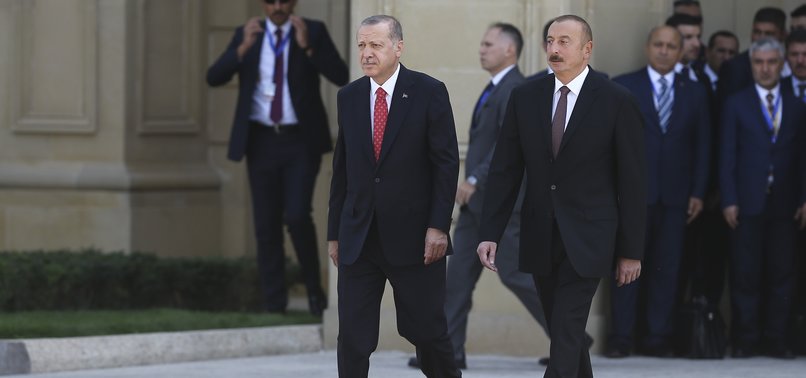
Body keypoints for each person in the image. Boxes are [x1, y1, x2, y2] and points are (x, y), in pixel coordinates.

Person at [477, 15, 647, 377]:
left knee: (566, 330)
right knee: (563, 331)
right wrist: (490, 231)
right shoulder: (525, 97)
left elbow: (632, 183)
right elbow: (505, 170)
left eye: (564, 41)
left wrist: (631, 251)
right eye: (550, 41)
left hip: (590, 238)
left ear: (587, 49)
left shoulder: (617, 100)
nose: (554, 49)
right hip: (540, 235)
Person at [408, 22, 550, 371]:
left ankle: (570, 333)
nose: (481, 49)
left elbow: (508, 147)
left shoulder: (516, 89)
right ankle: (449, 351)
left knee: (516, 274)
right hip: (476, 208)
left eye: (488, 44)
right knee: (456, 279)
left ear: (509, 51)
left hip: (502, 205)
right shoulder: (494, 89)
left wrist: (472, 177)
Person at [327, 15, 461, 378]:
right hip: (360, 238)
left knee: (428, 335)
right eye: (361, 46)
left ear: (398, 47)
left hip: (416, 239)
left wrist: (438, 227)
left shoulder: (429, 91)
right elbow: (343, 170)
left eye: (375, 45)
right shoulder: (349, 96)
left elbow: (445, 165)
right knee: (353, 337)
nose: (366, 54)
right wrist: (335, 233)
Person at [206, 0, 348, 316]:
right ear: (263, 4)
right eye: (271, 2)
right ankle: (274, 303)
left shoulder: (312, 31)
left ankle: (314, 292)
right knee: (266, 223)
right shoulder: (248, 34)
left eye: (284, 1)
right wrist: (240, 49)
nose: (278, 8)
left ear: (294, 3)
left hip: (301, 140)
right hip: (261, 140)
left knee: (297, 216)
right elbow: (214, 77)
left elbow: (341, 74)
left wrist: (308, 49)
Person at [607, 25, 710, 358]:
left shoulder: (695, 91)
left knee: (667, 269)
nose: (664, 50)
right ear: (648, 47)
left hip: (676, 197)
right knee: (625, 267)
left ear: (681, 52)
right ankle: (621, 337)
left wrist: (697, 191)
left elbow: (703, 147)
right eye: (658, 44)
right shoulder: (623, 85)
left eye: (671, 46)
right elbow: (607, 145)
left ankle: (657, 337)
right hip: (632, 196)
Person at [719, 37, 806, 359]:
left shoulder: (796, 104)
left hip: (785, 204)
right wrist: (729, 198)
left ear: (781, 65)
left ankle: (776, 339)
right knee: (745, 274)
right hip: (746, 202)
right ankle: (746, 339)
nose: (766, 68)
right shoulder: (736, 102)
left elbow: (802, 157)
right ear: (752, 65)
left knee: (783, 275)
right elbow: (726, 155)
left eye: (771, 62)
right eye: (759, 62)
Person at [718, 7, 789, 102]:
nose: (761, 38)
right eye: (757, 32)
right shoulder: (734, 68)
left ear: (783, 35)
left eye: (768, 33)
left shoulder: (794, 61)